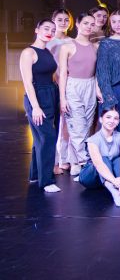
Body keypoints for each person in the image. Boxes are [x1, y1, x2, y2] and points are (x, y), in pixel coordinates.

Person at [19, 19, 61, 192]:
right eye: (46, 28)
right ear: (37, 30)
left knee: (41, 139)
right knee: (47, 137)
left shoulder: (47, 51)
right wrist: (35, 107)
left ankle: (35, 175)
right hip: (37, 96)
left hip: (51, 94)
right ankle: (47, 181)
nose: (49, 32)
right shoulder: (28, 52)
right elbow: (27, 82)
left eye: (52, 30)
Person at [57, 12, 99, 176]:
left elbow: (97, 72)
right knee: (77, 128)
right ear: (78, 24)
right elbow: (62, 73)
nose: (89, 27)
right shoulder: (67, 46)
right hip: (73, 86)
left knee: (86, 128)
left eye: (92, 24)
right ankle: (86, 164)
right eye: (86, 23)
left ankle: (74, 162)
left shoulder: (95, 47)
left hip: (90, 86)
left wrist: (97, 90)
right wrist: (62, 98)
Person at [78, 107, 120, 207]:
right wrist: (115, 182)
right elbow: (98, 164)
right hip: (91, 176)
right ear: (101, 119)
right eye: (108, 117)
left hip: (111, 177)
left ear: (118, 122)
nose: (112, 121)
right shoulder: (93, 140)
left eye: (115, 118)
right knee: (103, 159)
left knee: (119, 159)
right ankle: (115, 193)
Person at [48, 9, 72, 175]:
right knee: (54, 123)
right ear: (53, 21)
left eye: (66, 20)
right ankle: (54, 160)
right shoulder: (48, 42)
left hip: (69, 83)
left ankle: (65, 158)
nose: (63, 23)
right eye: (60, 19)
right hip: (52, 84)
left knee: (66, 123)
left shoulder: (72, 41)